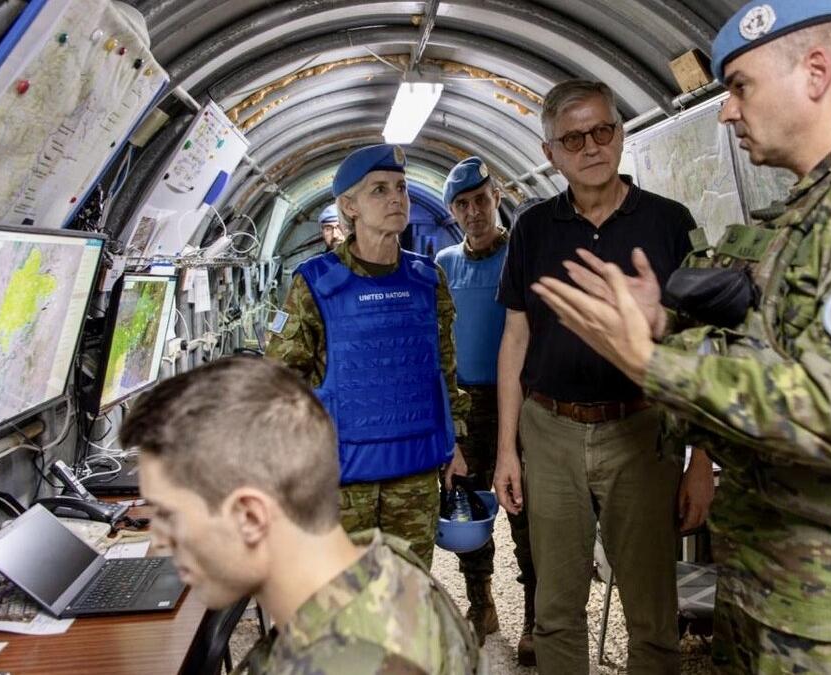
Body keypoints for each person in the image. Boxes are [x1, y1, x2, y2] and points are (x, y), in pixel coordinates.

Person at [530, 2, 831, 672]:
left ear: (816, 72)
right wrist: (666, 322)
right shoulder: (812, 210)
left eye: (740, 88)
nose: (727, 111)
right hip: (772, 573)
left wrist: (654, 361)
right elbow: (774, 350)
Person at [492, 79, 715, 675]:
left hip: (642, 432)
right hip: (551, 430)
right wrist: (506, 450)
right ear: (552, 154)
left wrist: (698, 459)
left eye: (603, 131)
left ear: (620, 134)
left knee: (652, 612)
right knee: (557, 606)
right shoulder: (534, 230)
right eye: (574, 138)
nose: (592, 147)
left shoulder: (670, 224)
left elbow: (697, 345)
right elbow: (516, 338)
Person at [119, 356, 479, 674]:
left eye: (169, 515)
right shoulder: (388, 565)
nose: (158, 541)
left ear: (250, 517)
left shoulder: (347, 662)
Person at [265, 144, 470, 568]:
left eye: (401, 188)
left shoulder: (428, 280)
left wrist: (454, 446)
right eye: (378, 190)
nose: (396, 198)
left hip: (414, 474)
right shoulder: (316, 284)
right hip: (341, 480)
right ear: (349, 207)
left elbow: (442, 372)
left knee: (408, 598)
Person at [435, 157, 536, 661]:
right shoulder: (445, 265)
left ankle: (537, 618)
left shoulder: (523, 255)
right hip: (464, 404)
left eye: (480, 199)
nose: (473, 211)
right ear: (453, 211)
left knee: (525, 509)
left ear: (497, 196)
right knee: (467, 508)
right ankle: (482, 604)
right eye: (462, 204)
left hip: (517, 400)